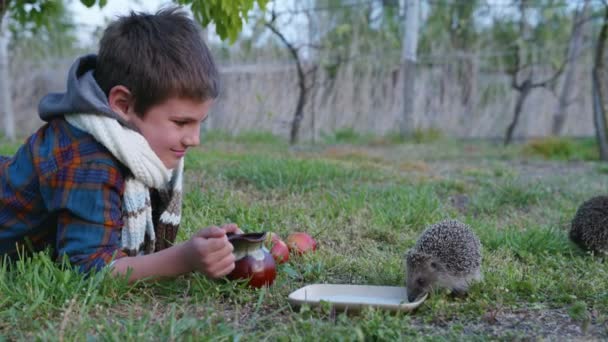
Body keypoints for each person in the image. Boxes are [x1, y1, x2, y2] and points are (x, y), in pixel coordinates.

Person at [0, 6, 239, 282]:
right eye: (181, 123)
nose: (194, 139)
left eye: (200, 123)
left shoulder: (130, 144)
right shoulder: (88, 160)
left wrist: (207, 247)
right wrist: (183, 258)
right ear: (123, 105)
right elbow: (90, 269)